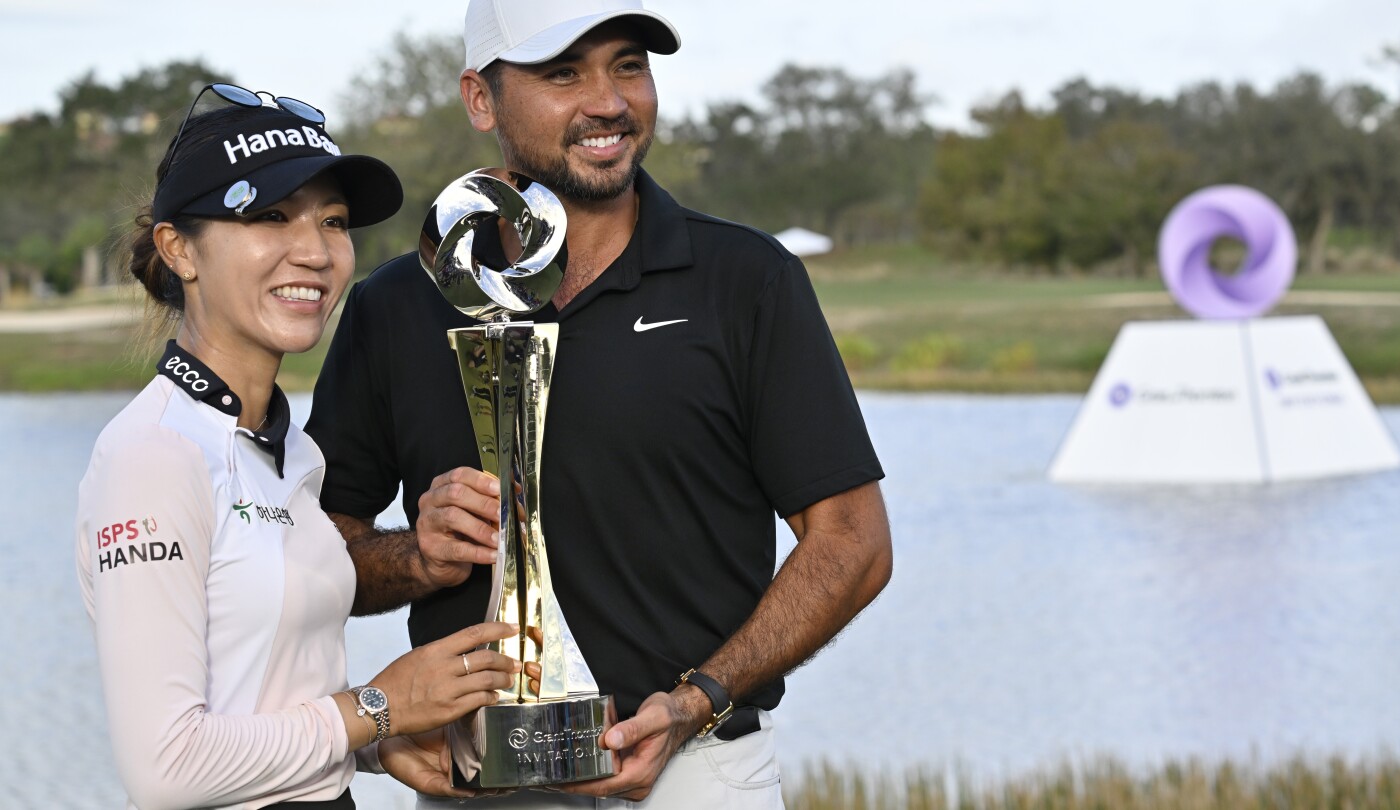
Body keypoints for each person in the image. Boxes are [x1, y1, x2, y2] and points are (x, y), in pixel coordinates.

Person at [305, 1, 894, 806]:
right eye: (562, 73)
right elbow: (316, 558)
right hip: (476, 779)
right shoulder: (397, 305)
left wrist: (698, 701)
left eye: (628, 65)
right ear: (480, 99)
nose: (609, 102)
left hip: (700, 775)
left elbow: (854, 542)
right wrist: (417, 556)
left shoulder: (747, 280)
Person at [74, 84, 523, 810]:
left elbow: (270, 692)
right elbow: (165, 768)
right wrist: (379, 707)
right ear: (179, 249)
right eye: (270, 217)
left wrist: (381, 740)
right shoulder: (153, 454)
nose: (314, 252)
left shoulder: (292, 453)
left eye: (333, 221)